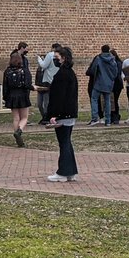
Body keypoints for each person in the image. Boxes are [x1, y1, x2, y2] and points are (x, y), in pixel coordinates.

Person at [46, 46, 80, 182]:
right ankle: (70, 170)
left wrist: (55, 114)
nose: (55, 60)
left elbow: (59, 97)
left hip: (64, 113)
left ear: (63, 58)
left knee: (64, 142)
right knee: (66, 142)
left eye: (57, 58)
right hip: (69, 112)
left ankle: (63, 171)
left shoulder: (62, 75)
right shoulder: (69, 73)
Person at [3, 49, 33, 146]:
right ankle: (19, 131)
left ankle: (17, 139)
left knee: (16, 118)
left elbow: (5, 86)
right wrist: (33, 88)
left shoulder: (7, 71)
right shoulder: (24, 71)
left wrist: (5, 97)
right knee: (24, 117)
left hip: (12, 95)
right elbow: (27, 84)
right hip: (22, 95)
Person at [88, 44, 120, 126]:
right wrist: (111, 79)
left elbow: (93, 69)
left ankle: (95, 118)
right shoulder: (113, 60)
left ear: (101, 50)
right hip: (108, 83)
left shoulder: (99, 58)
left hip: (98, 83)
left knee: (94, 99)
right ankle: (108, 120)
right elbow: (115, 72)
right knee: (107, 101)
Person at [37, 42, 61, 124]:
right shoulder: (61, 56)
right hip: (56, 81)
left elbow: (43, 65)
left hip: (48, 81)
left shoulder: (50, 55)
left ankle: (47, 117)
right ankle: (51, 117)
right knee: (53, 101)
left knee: (47, 102)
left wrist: (39, 59)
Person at [109, 48, 125, 125]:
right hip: (112, 85)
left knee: (114, 101)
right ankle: (113, 116)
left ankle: (115, 117)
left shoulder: (118, 63)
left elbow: (117, 73)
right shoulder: (111, 63)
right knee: (112, 101)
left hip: (117, 85)